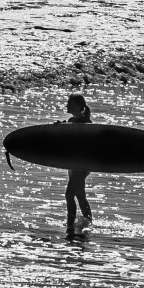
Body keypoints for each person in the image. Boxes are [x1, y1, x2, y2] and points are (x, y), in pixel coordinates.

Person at [59, 94, 93, 237]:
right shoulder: (70, 121)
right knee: (80, 196)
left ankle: (70, 226)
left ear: (79, 107)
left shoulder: (88, 124)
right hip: (72, 164)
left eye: (69, 103)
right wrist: (58, 127)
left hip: (83, 165)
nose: (67, 105)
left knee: (68, 195)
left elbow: (93, 146)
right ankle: (89, 223)